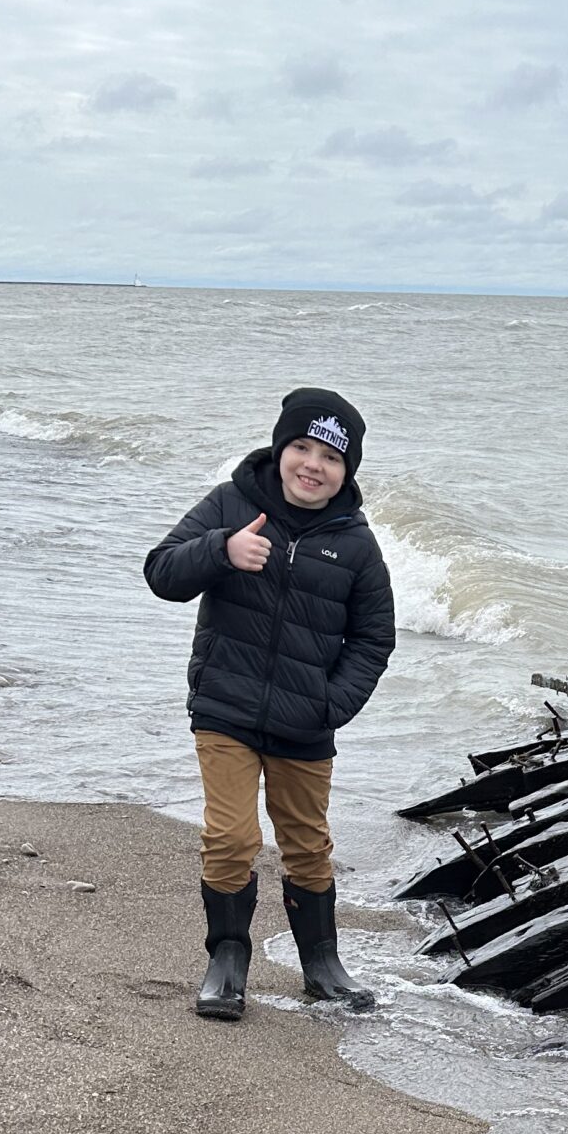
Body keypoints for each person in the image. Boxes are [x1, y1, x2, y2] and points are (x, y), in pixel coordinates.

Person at [145, 387, 396, 1021]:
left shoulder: (357, 544)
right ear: (281, 449)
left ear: (347, 471)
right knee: (231, 837)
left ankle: (322, 964)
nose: (313, 466)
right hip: (225, 709)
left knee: (308, 844)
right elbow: (162, 572)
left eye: (331, 458)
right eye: (302, 449)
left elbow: (374, 636)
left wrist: (330, 704)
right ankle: (227, 961)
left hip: (305, 725)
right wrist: (220, 551)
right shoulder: (232, 505)